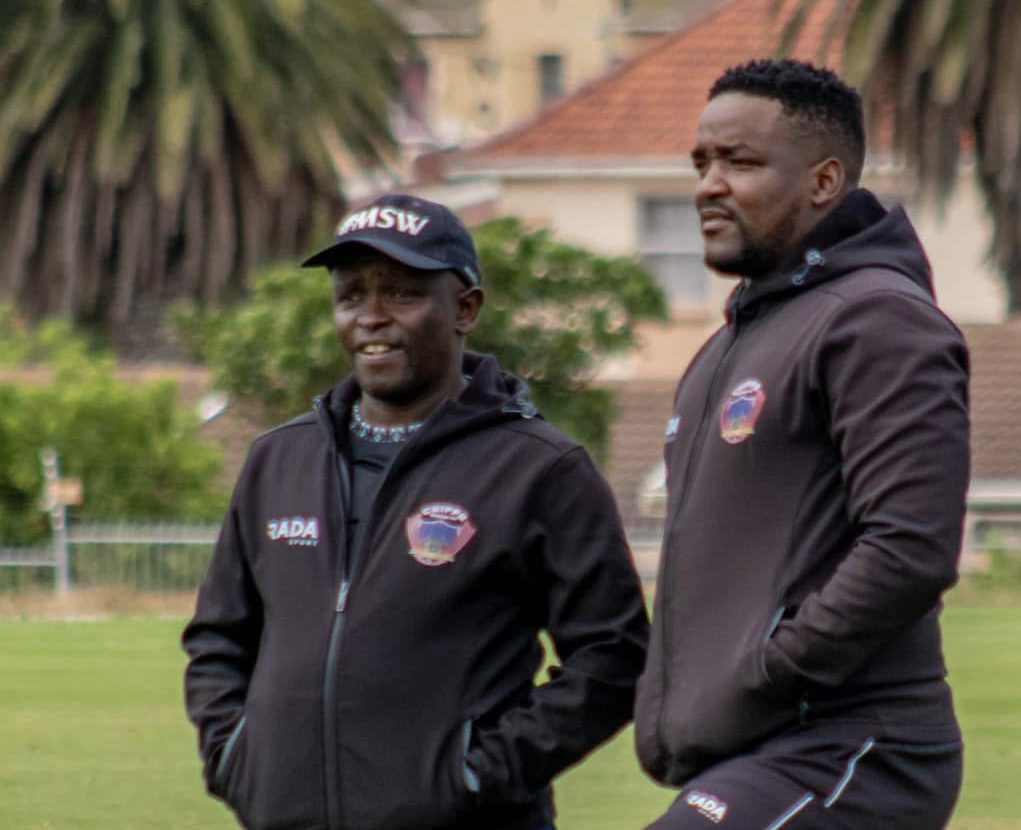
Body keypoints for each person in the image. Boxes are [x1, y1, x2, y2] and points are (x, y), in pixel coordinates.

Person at [182, 193, 649, 830]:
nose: (371, 317)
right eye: (351, 296)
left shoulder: (540, 468)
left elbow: (614, 656)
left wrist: (477, 775)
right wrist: (235, 757)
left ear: (465, 308)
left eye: (401, 293)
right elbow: (218, 637)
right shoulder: (279, 459)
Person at [634, 59, 971, 829]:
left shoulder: (878, 319)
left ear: (823, 181)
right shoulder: (727, 346)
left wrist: (771, 668)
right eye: (701, 163)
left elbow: (910, 547)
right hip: (748, 751)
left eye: (740, 162)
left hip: (850, 747)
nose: (709, 185)